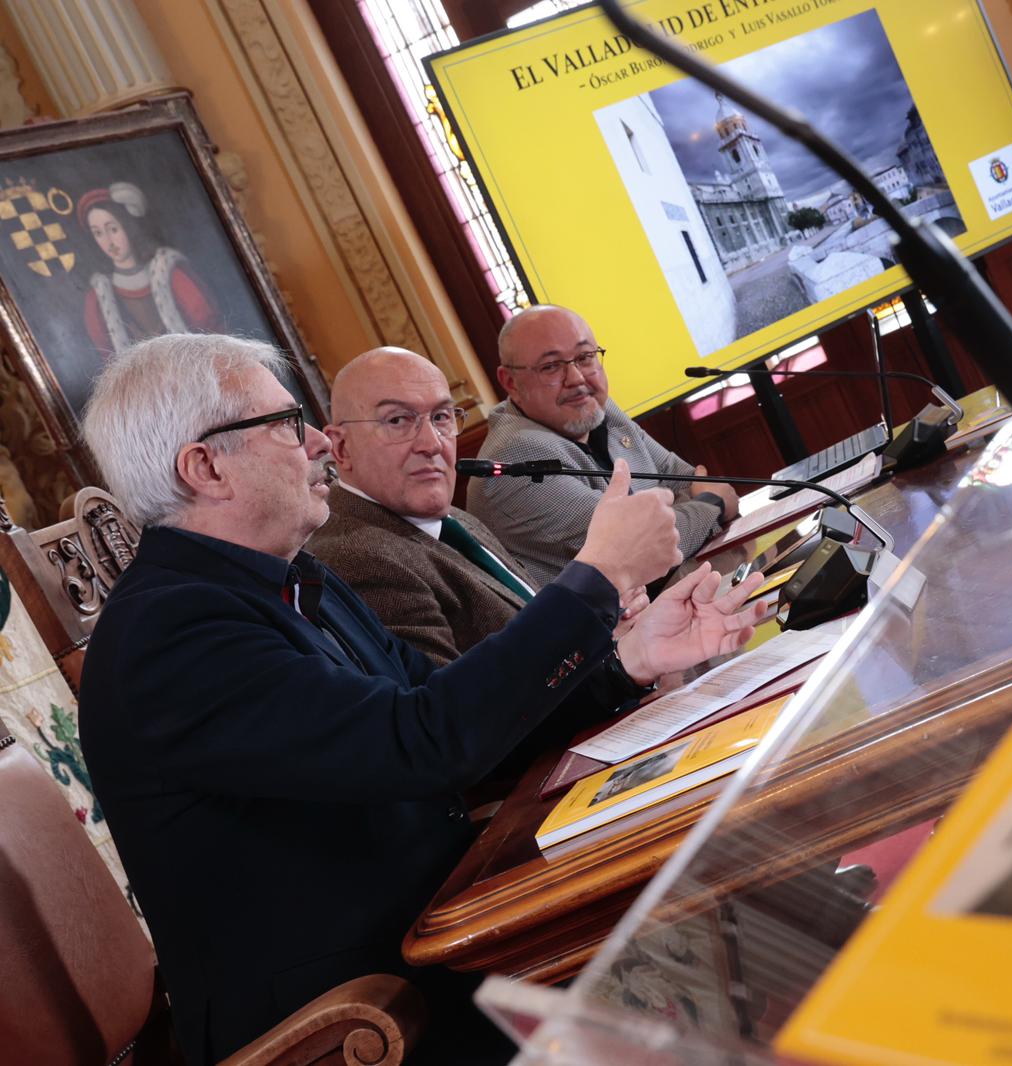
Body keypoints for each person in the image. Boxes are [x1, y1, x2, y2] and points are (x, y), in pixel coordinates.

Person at [75, 334, 752, 1065]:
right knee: (723, 931)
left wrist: (629, 659)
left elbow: (442, 707)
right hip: (358, 1020)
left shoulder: (287, 578)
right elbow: (423, 744)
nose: (316, 443)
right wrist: (596, 575)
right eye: (287, 424)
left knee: (726, 893)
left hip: (442, 933)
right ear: (205, 467)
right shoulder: (169, 633)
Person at [310, 345, 760, 682]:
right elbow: (460, 718)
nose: (432, 443)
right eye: (397, 421)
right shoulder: (358, 556)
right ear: (341, 448)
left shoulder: (455, 521)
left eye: (442, 417)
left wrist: (610, 627)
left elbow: (534, 631)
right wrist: (604, 639)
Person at [467, 304, 741, 587]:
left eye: (585, 357)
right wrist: (712, 503)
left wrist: (685, 512)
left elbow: (685, 478)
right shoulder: (513, 459)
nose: (576, 378)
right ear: (511, 383)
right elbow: (646, 544)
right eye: (550, 367)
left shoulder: (597, 408)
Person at [78, 181, 224, 356]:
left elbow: (211, 330)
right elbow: (106, 356)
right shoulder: (97, 298)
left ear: (128, 226)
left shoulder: (169, 274)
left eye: (113, 229)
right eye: (98, 233)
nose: (108, 242)